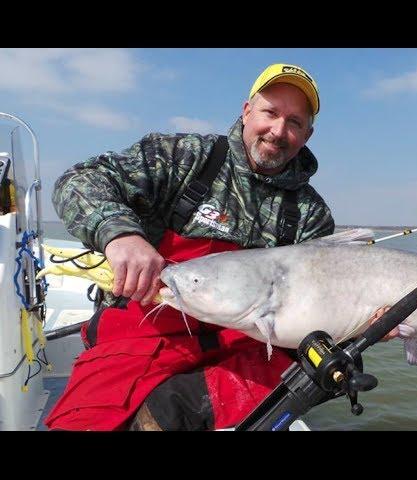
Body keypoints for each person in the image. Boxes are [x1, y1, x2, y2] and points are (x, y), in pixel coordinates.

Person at [44, 63, 394, 431]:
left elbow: (319, 306)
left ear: (307, 134)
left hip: (245, 347)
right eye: (270, 113)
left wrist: (360, 324)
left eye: (294, 122)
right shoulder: (185, 157)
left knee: (335, 365)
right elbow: (80, 180)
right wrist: (120, 235)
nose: (278, 131)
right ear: (246, 112)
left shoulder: (311, 214)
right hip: (147, 332)